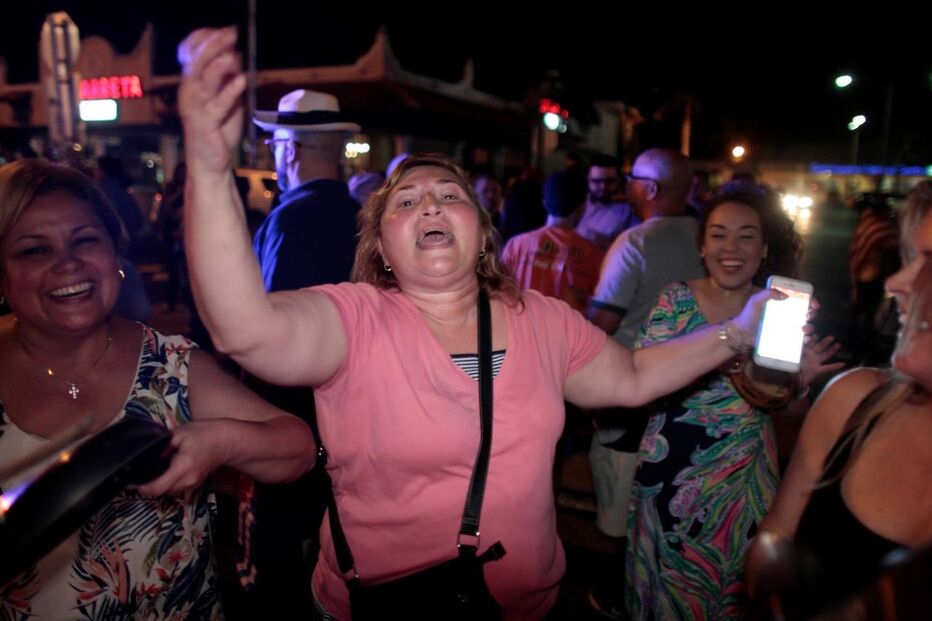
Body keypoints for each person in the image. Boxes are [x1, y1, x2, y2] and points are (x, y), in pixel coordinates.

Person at [177, 27, 792, 620]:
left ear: (481, 233)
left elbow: (630, 375)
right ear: (383, 250)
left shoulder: (543, 320)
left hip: (526, 609)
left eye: (450, 194)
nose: (430, 204)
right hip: (382, 608)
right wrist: (208, 168)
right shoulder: (354, 318)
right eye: (406, 201)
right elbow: (245, 330)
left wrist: (736, 330)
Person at [0, 158, 316, 618]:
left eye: (85, 240)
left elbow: (298, 448)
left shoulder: (170, 364)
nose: (67, 263)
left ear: (115, 256)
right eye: (34, 250)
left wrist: (218, 441)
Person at [624, 183, 843, 620]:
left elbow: (789, 414)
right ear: (702, 246)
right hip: (667, 481)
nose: (732, 247)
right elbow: (641, 383)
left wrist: (802, 383)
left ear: (764, 249)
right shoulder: (674, 300)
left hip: (742, 488)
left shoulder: (780, 313)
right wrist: (731, 351)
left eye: (747, 235)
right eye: (720, 234)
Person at [746, 259, 932, 619]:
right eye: (911, 257)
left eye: (930, 261)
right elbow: (776, 532)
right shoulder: (855, 400)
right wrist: (773, 582)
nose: (894, 282)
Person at [585, 148, 705, 618]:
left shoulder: (634, 242)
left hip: (632, 394)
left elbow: (604, 324)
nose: (627, 186)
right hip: (692, 389)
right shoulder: (704, 237)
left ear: (651, 189)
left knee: (618, 506)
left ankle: (622, 596)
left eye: (633, 179)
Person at [252, 88, 361, 292]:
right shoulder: (361, 214)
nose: (275, 154)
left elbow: (277, 310)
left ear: (290, 150)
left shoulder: (288, 221)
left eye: (275, 145)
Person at [501, 170, 603, 313]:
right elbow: (598, 309)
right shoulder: (593, 255)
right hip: (568, 333)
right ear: (582, 207)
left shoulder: (516, 245)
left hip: (517, 332)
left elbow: (498, 293)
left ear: (544, 203)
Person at [575, 155, 639, 251]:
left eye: (610, 181)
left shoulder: (630, 211)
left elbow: (633, 252)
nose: (603, 187)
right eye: (596, 181)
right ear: (588, 181)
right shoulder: (576, 204)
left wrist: (605, 243)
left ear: (619, 181)